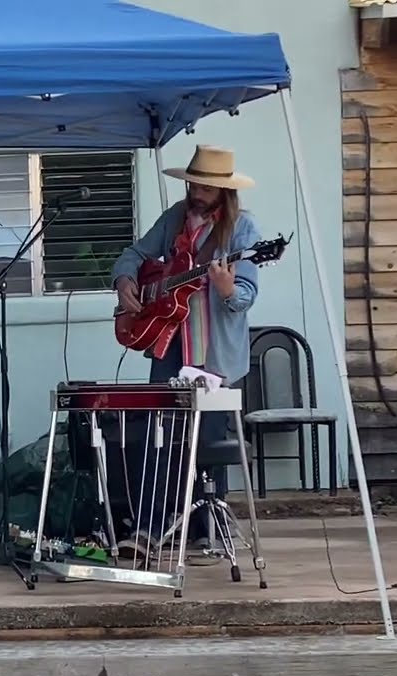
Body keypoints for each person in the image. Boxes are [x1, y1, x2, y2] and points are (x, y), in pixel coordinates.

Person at [110, 145, 260, 558]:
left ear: (222, 190)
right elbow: (134, 254)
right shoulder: (175, 216)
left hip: (214, 353)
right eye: (193, 182)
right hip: (170, 346)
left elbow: (245, 296)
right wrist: (126, 284)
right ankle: (150, 528)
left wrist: (228, 289)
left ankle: (207, 528)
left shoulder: (243, 230)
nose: (196, 190)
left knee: (208, 441)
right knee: (159, 436)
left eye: (205, 186)